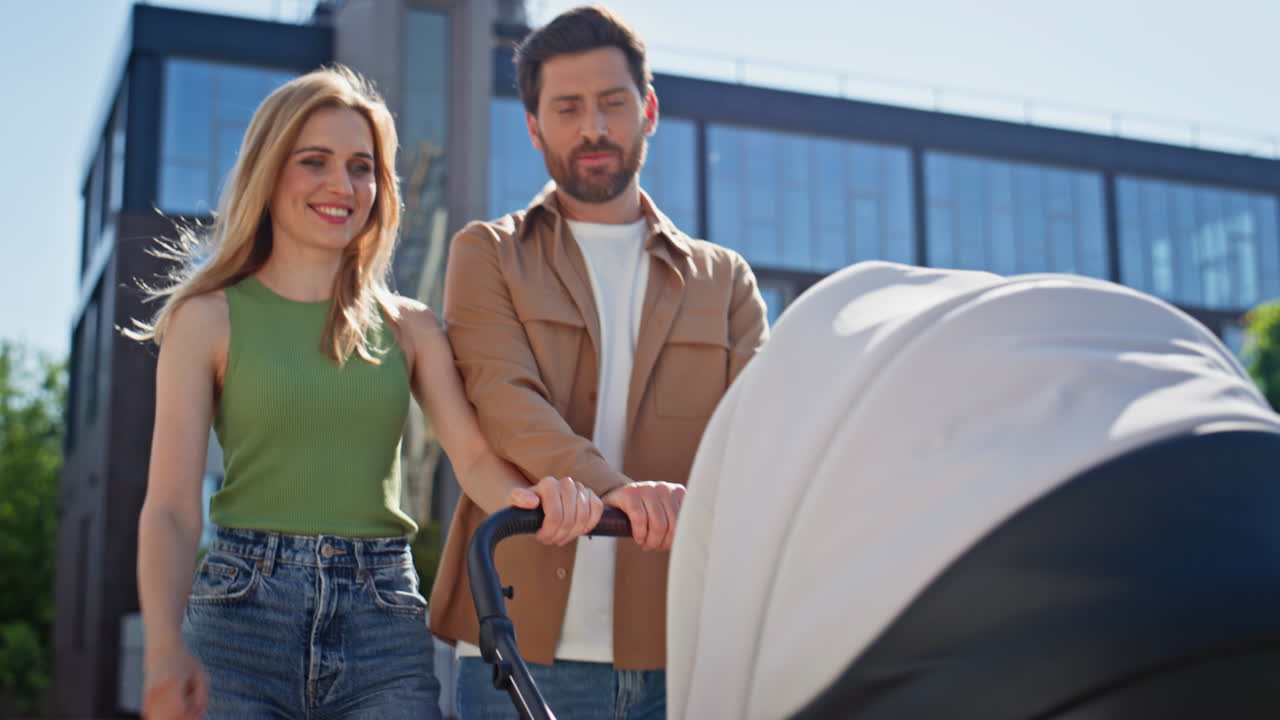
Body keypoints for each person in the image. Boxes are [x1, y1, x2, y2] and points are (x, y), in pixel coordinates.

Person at [132, 65, 601, 720]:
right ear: (268, 173)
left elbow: (472, 463)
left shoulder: (411, 328)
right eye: (314, 161)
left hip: (381, 621)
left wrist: (541, 502)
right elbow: (173, 511)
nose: (341, 185)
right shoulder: (207, 318)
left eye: (361, 166)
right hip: (240, 622)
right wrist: (161, 651)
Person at [426, 6, 770, 718]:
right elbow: (504, 398)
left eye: (613, 103)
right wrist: (617, 491)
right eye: (568, 108)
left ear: (647, 110)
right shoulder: (486, 254)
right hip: (518, 650)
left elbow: (758, 430)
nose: (594, 128)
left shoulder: (725, 278)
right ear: (532, 126)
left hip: (684, 648)